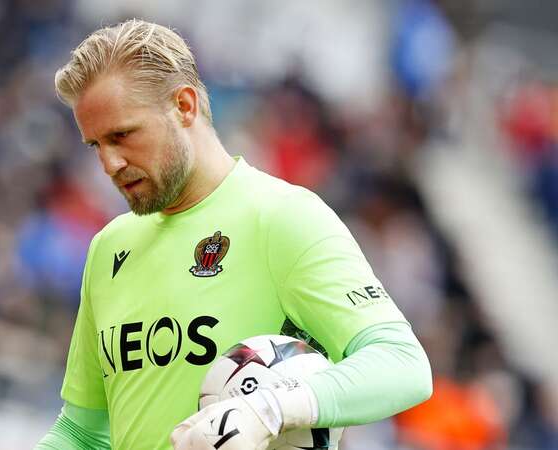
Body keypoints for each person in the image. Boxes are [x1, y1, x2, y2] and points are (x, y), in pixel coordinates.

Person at [36, 19, 432, 450]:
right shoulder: (108, 248)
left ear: (184, 106)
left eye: (122, 135)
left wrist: (270, 409)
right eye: (96, 145)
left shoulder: (281, 217)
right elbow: (85, 432)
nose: (110, 163)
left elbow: (403, 365)